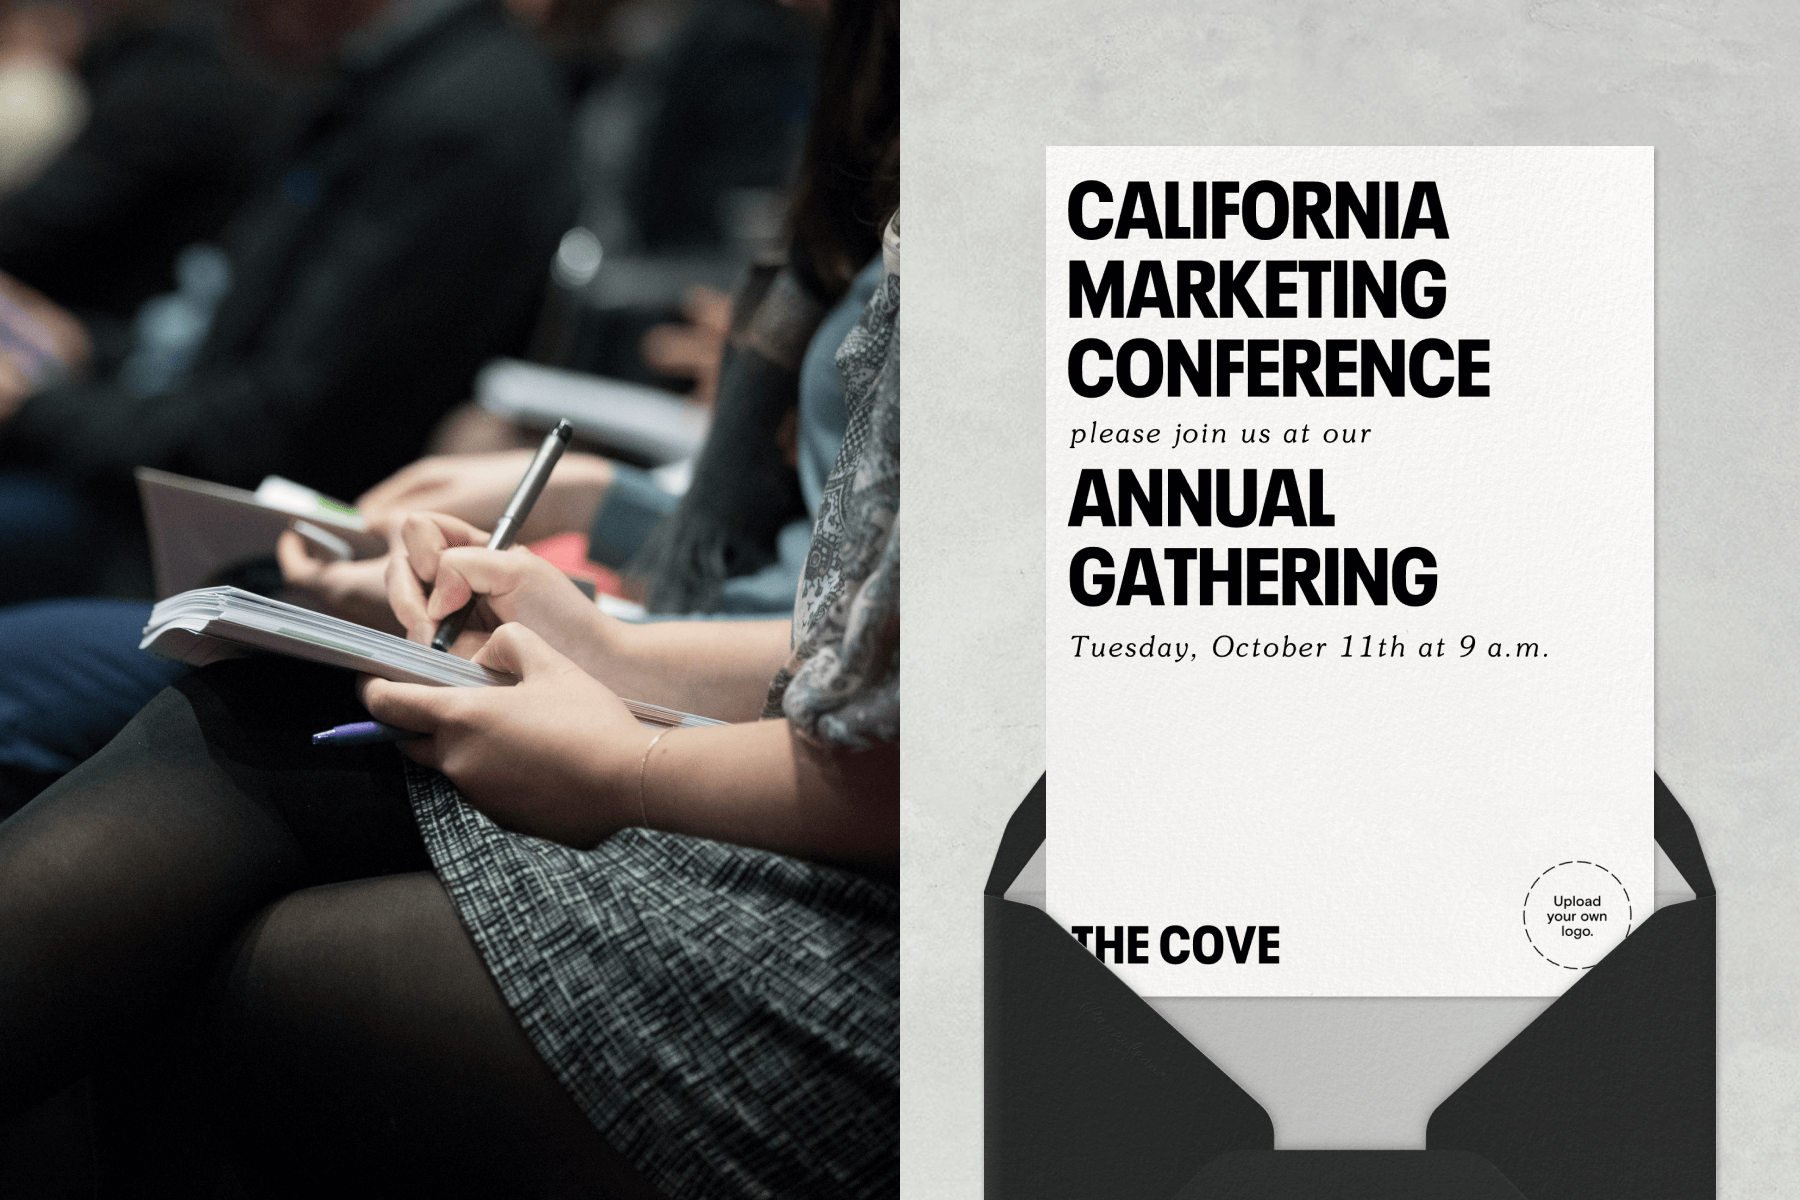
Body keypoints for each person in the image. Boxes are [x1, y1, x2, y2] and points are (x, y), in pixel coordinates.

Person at [0, 210, 897, 1197]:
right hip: (789, 744)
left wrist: (630, 767)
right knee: (263, 699)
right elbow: (869, 644)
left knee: (237, 970)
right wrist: (607, 647)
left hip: (942, 963)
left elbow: (954, 754)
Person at [0, 0, 576, 602]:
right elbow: (232, 344)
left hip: (250, 562)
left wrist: (38, 408)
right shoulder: (402, 75)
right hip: (179, 498)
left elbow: (273, 432)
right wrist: (89, 349)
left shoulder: (458, 116)